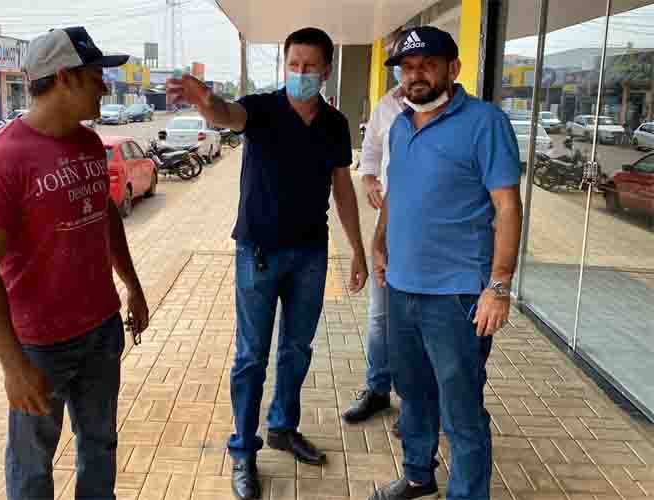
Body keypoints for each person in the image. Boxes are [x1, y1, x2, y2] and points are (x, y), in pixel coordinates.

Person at [168, 27, 368, 500]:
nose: (300, 73)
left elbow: (342, 188)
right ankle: (243, 449)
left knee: (297, 350)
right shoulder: (261, 109)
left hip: (310, 254)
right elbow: (227, 114)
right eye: (293, 64)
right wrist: (206, 103)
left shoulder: (334, 124)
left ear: (326, 70)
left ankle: (282, 426)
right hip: (258, 253)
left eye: (310, 66)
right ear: (284, 65)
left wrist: (357, 249)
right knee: (251, 356)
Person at [0, 27, 149, 500]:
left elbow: (105, 216)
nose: (105, 85)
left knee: (100, 444)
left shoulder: (89, 144)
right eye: (95, 74)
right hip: (40, 347)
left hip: (101, 330)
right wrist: (12, 365)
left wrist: (131, 285)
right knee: (32, 466)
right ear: (64, 77)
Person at [369, 26, 522, 500]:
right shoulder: (400, 125)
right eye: (407, 67)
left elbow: (508, 207)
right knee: (413, 394)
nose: (415, 75)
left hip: (456, 296)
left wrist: (499, 285)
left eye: (427, 65)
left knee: (461, 409)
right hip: (402, 288)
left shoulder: (485, 123)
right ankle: (419, 477)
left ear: (453, 68)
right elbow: (396, 192)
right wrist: (379, 242)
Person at [342, 28, 406, 428]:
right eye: (401, 63)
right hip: (390, 224)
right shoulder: (386, 105)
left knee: (417, 321)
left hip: (430, 235)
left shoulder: (458, 113)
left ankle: (416, 403)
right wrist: (368, 179)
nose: (409, 72)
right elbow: (372, 151)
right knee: (381, 316)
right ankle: (377, 389)